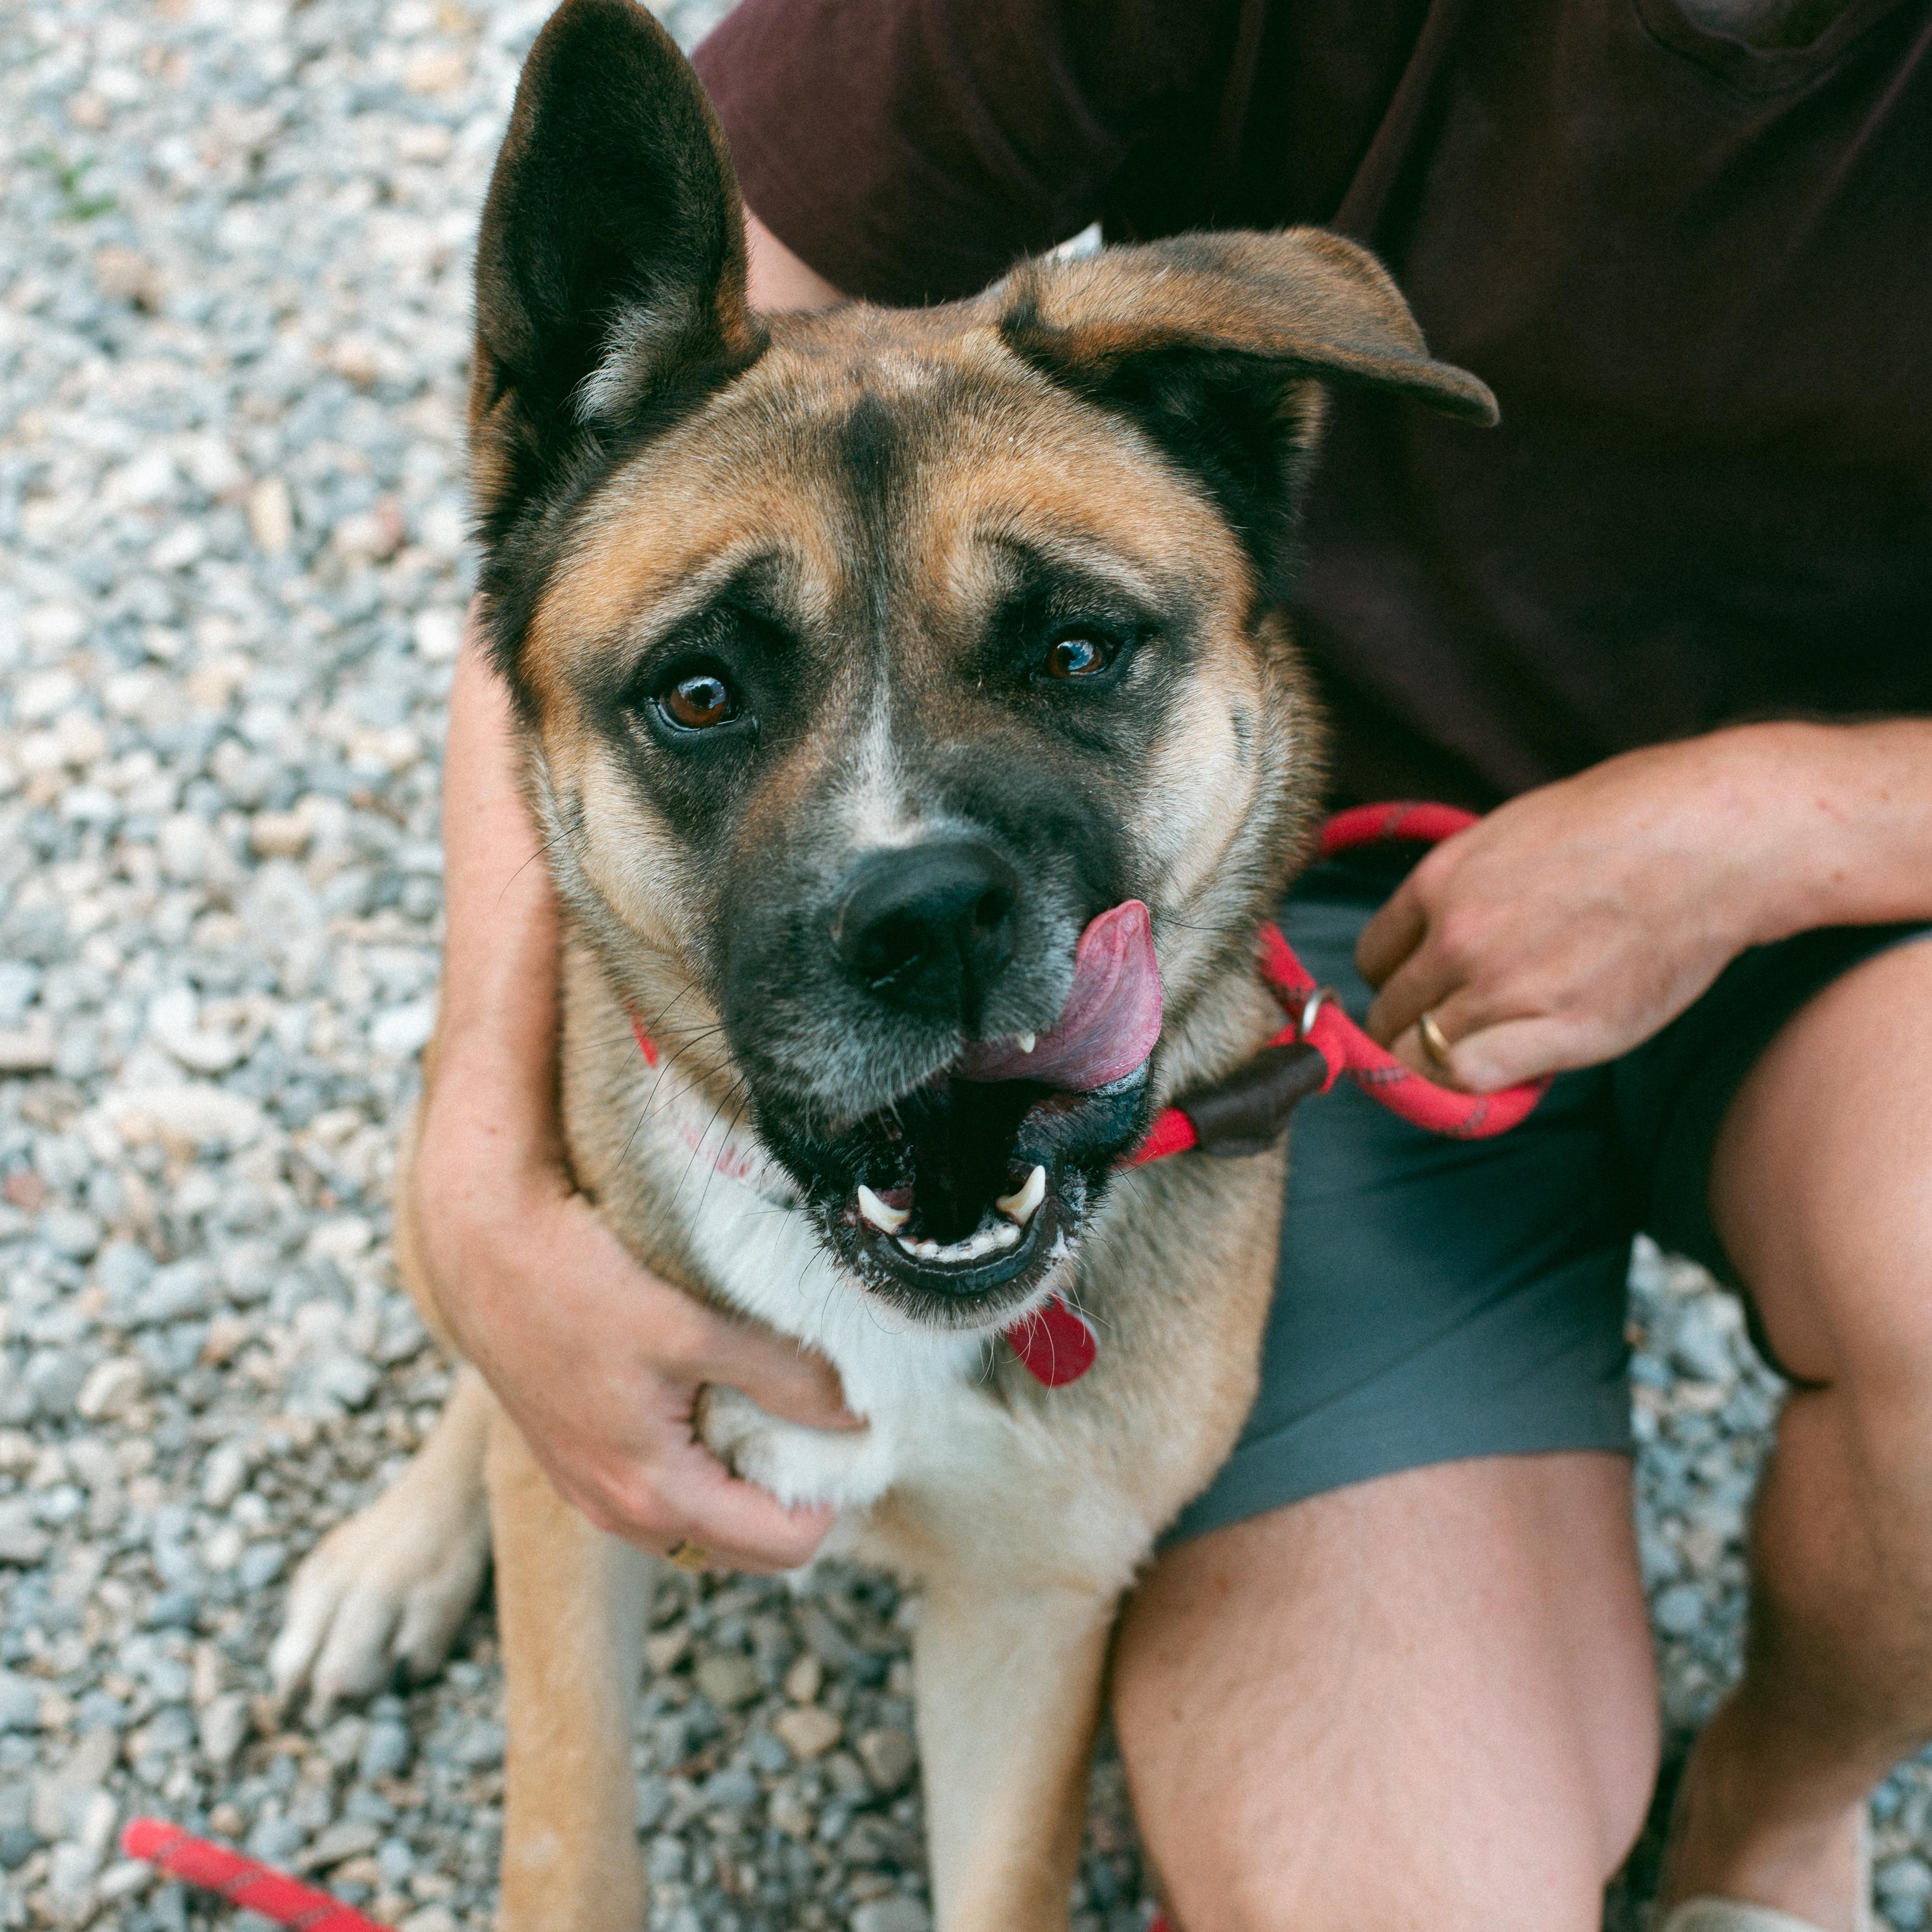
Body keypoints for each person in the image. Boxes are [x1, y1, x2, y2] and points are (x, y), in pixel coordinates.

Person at [419, 1, 1932, 1926]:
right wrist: (476, 1168)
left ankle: (1779, 1822)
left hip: (1876, 918)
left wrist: (1763, 829)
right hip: (1304, 970)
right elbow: (589, 512)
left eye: (1062, 643)